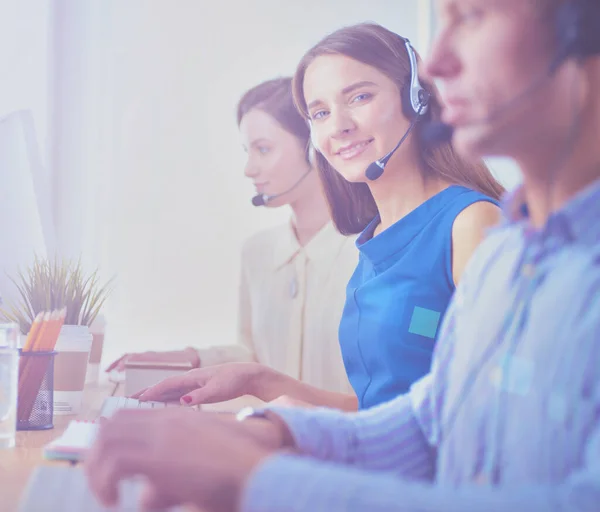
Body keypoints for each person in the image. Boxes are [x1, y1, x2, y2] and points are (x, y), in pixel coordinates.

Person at [85, 2, 600, 511]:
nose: (437, 61)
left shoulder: (476, 227)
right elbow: (433, 420)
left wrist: (261, 478)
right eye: (320, 112)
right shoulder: (508, 255)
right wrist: (272, 430)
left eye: (471, 17)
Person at [135, 23, 503, 411]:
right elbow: (377, 412)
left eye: (360, 96)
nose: (339, 125)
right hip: (380, 459)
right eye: (321, 112)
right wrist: (260, 381)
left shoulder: (471, 224)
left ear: (415, 98)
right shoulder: (375, 238)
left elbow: (492, 405)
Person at [107, 77, 358, 396]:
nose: (249, 169)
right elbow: (253, 356)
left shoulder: (368, 252)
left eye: (263, 149)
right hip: (267, 439)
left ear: (314, 149)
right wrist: (190, 358)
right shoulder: (258, 252)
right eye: (247, 151)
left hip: (345, 440)